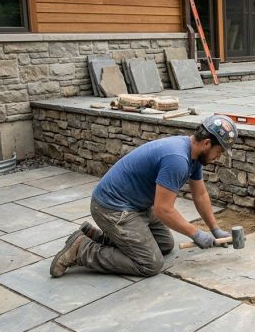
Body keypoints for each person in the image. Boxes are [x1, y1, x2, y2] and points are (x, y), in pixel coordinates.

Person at [50, 115, 238, 278]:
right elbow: (163, 210)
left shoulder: (193, 155)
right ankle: (82, 249)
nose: (218, 157)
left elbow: (200, 194)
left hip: (136, 206)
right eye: (219, 151)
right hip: (112, 208)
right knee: (150, 263)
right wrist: (195, 233)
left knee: (165, 245)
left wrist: (214, 229)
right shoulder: (177, 159)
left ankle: (98, 237)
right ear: (206, 143)